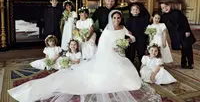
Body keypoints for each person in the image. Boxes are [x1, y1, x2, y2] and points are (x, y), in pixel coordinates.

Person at [8, 10, 161, 102]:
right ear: (111, 19)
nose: (116, 20)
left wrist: (126, 41)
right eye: (114, 18)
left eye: (118, 18)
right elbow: (102, 46)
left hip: (120, 55)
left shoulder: (123, 27)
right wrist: (114, 49)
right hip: (108, 56)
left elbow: (132, 37)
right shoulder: (107, 30)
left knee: (132, 80)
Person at [160, 2, 196, 69]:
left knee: (187, 47)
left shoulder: (177, 12)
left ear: (169, 5)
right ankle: (183, 63)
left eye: (166, 6)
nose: (165, 8)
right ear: (162, 10)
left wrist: (187, 30)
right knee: (183, 48)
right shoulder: (163, 17)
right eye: (163, 8)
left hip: (184, 32)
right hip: (175, 35)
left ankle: (190, 63)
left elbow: (184, 21)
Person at [126, 4, 149, 71]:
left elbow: (146, 30)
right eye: (133, 10)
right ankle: (130, 70)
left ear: (139, 11)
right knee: (130, 55)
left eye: (136, 9)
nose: (135, 11)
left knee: (141, 55)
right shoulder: (128, 20)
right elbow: (127, 30)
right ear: (130, 11)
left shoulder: (143, 20)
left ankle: (142, 70)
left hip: (141, 40)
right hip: (132, 40)